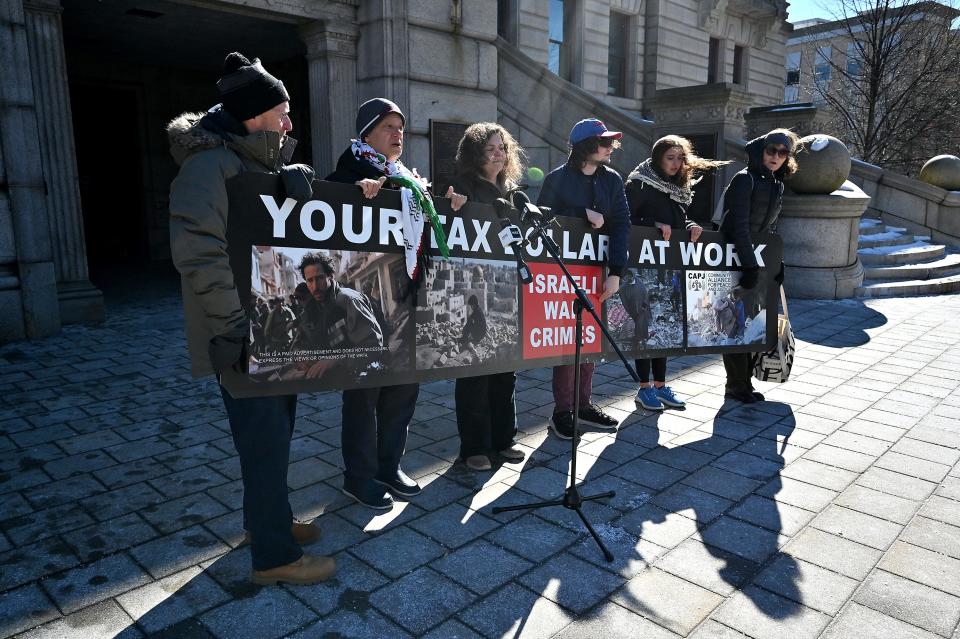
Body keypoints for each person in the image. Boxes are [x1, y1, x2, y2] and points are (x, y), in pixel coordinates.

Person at [167, 52, 334, 585]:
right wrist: (236, 324)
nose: (290, 123)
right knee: (263, 441)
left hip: (270, 333)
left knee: (274, 437)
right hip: (242, 334)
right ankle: (275, 558)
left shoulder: (250, 163)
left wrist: (291, 177)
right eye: (282, 113)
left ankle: (269, 522)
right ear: (253, 115)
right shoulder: (207, 166)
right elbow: (197, 250)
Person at [324, 98, 466, 508]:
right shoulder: (350, 172)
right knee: (364, 391)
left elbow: (421, 235)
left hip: (408, 298)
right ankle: (359, 475)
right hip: (367, 304)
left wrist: (445, 207)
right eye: (388, 126)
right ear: (367, 132)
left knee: (403, 389)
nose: (398, 134)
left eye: (401, 127)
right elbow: (329, 215)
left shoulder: (405, 180)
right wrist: (354, 194)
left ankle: (389, 464)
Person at [537, 118, 630, 439]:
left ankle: (584, 404)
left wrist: (616, 272)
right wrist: (580, 213)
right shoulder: (557, 179)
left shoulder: (612, 179)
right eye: (604, 143)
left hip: (596, 269)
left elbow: (622, 225)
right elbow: (540, 218)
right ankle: (563, 411)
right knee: (567, 339)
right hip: (561, 272)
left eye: (610, 142)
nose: (610, 148)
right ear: (586, 147)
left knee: (590, 338)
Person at [624, 135, 728, 411]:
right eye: (669, 158)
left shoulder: (678, 186)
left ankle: (660, 386)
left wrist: (692, 225)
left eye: (680, 158)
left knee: (666, 327)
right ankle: (643, 389)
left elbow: (678, 219)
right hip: (642, 266)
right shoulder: (640, 183)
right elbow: (622, 217)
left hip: (669, 266)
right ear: (658, 158)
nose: (675, 163)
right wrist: (651, 224)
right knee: (645, 324)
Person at [448, 122, 526, 470]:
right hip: (472, 288)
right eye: (491, 148)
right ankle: (474, 446)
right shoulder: (460, 185)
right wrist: (454, 205)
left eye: (502, 148)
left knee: (505, 368)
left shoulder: (513, 192)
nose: (498, 154)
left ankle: (503, 439)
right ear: (476, 153)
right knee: (474, 370)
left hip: (506, 288)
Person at [716, 129, 797, 403]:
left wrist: (776, 261)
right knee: (736, 324)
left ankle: (745, 383)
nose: (776, 157)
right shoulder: (744, 180)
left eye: (783, 152)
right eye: (771, 150)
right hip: (735, 261)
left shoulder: (777, 184)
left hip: (757, 261)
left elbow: (769, 229)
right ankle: (735, 385)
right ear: (760, 151)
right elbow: (738, 227)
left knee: (754, 323)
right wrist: (749, 266)